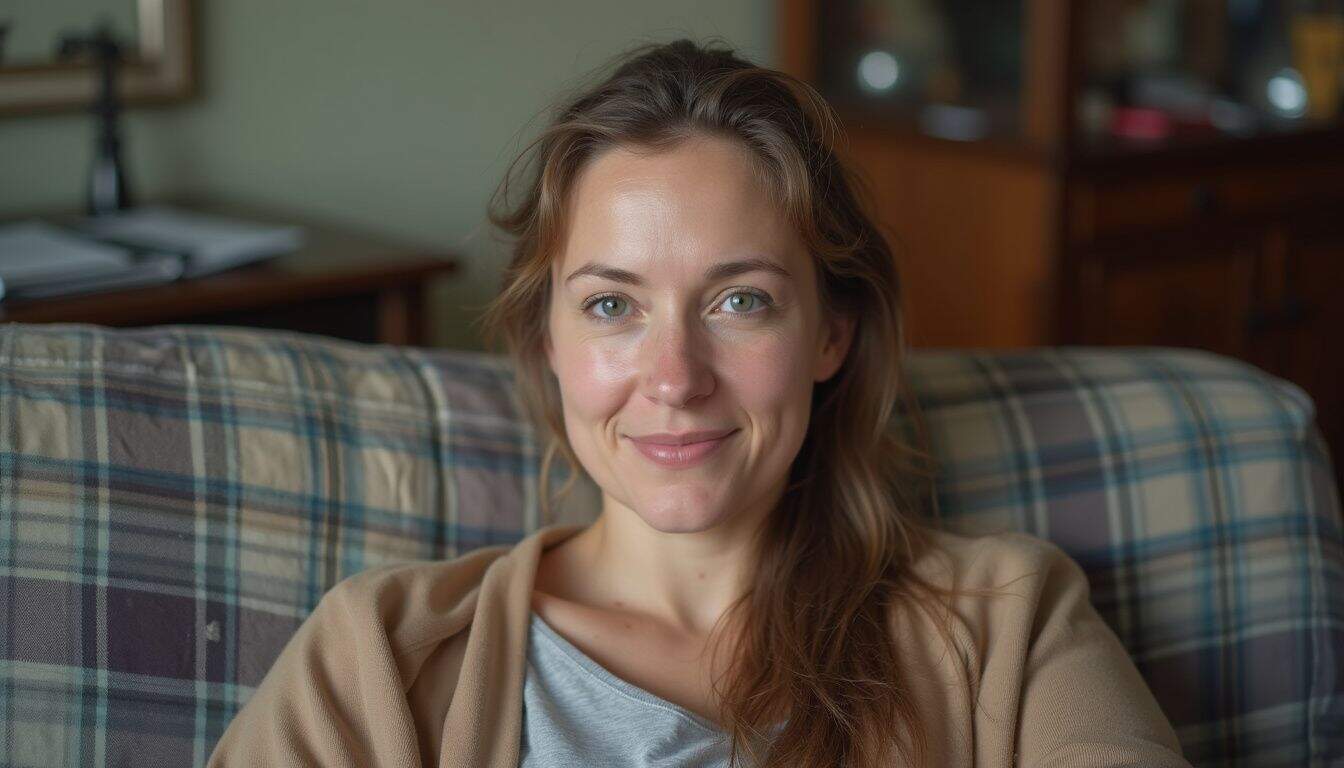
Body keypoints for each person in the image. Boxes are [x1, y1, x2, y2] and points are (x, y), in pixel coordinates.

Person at [207, 39, 1191, 768]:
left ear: (832, 334)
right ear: (550, 342)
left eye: (739, 301)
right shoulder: (376, 653)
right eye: (611, 305)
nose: (675, 378)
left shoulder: (1010, 627)